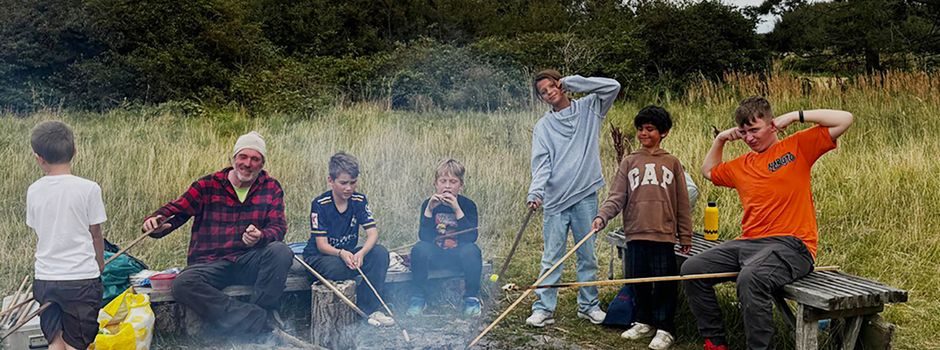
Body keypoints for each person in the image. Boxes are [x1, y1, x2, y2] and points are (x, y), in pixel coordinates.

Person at [683, 97, 854, 350]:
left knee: (751, 278)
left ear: (772, 125)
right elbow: (708, 171)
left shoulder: (796, 147)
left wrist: (795, 116)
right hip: (749, 243)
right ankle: (715, 343)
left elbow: (845, 119)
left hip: (793, 245)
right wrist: (720, 140)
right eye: (743, 132)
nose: (749, 138)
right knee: (692, 269)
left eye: (754, 130)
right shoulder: (742, 165)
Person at [141, 131, 293, 336]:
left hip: (248, 261)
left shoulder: (271, 187)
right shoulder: (208, 185)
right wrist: (154, 223)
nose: (248, 164)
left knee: (280, 252)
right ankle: (258, 320)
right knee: (183, 284)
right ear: (233, 158)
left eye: (255, 159)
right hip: (210, 263)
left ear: (262, 164)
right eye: (243, 157)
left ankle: (261, 312)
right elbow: (175, 212)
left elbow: (278, 227)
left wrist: (260, 236)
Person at [526, 69, 621, 327]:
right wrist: (536, 192)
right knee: (552, 256)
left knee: (587, 255)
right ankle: (543, 308)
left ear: (560, 84)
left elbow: (613, 86)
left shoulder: (590, 108)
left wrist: (572, 82)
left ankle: (589, 306)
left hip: (585, 195)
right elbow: (541, 164)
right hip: (556, 200)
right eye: (543, 92)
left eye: (552, 86)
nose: (549, 93)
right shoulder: (543, 127)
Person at [593, 106, 692, 350]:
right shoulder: (629, 162)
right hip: (636, 232)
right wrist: (602, 216)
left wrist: (685, 234)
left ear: (664, 132)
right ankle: (643, 321)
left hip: (663, 234)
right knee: (638, 280)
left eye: (650, 129)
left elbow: (682, 202)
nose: (643, 133)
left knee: (664, 282)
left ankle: (665, 328)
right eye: (640, 129)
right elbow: (616, 196)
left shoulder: (672, 163)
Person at [26, 121, 106, 350]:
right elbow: (96, 234)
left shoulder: (33, 190)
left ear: (39, 158)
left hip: (45, 279)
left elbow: (38, 230)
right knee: (76, 343)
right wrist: (100, 263)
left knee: (55, 340)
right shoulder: (89, 188)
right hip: (81, 280)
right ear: (74, 151)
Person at [302, 152, 395, 327]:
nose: (348, 188)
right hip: (321, 256)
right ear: (331, 181)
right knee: (337, 268)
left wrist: (362, 252)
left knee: (380, 254)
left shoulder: (359, 200)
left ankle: (370, 308)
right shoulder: (320, 204)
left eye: (353, 182)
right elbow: (321, 245)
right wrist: (341, 253)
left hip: (348, 254)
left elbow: (373, 233)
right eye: (343, 183)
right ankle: (349, 308)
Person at [406, 159, 482, 317]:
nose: (447, 186)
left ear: (461, 185)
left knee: (473, 251)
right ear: (436, 184)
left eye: (453, 182)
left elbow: (471, 237)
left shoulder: (468, 205)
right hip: (437, 255)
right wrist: (429, 210)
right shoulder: (428, 204)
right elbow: (424, 237)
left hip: (458, 255)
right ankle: (418, 298)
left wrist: (457, 209)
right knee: (419, 249)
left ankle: (471, 298)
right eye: (443, 181)